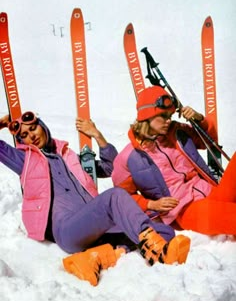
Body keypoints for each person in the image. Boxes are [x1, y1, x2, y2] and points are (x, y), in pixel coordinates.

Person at [0, 111, 190, 286]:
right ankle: (158, 254)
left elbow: (109, 168)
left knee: (163, 231)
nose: (31, 135)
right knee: (115, 197)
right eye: (24, 135)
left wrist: (97, 136)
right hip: (68, 230)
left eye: (33, 128)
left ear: (42, 126)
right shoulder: (25, 161)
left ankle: (98, 257)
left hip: (94, 229)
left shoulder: (68, 155)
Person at [112, 85, 236, 237]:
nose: (168, 121)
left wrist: (198, 119)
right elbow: (122, 198)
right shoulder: (128, 157)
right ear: (147, 116)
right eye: (163, 116)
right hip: (186, 209)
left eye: (170, 116)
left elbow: (209, 142)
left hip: (212, 192)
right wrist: (152, 204)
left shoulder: (177, 132)